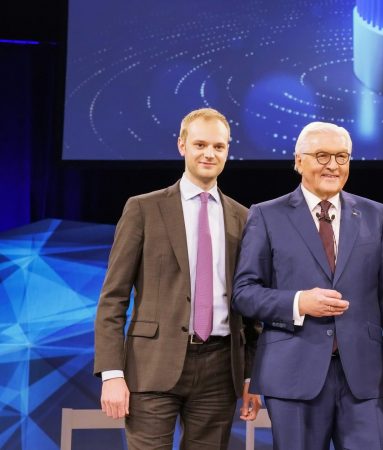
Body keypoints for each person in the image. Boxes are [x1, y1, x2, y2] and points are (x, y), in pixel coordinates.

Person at [232, 121, 383, 449]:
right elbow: (244, 292)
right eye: (322, 155)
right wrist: (298, 303)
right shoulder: (266, 215)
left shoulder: (376, 215)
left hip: (364, 376)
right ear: (298, 161)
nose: (333, 165)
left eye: (342, 157)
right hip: (291, 376)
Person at [94, 108, 261, 449]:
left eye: (218, 146)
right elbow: (113, 297)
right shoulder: (143, 208)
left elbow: (250, 306)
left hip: (220, 369)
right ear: (182, 146)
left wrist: (250, 375)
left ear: (228, 150)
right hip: (151, 366)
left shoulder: (244, 217)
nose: (209, 153)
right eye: (200, 144)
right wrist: (112, 373)